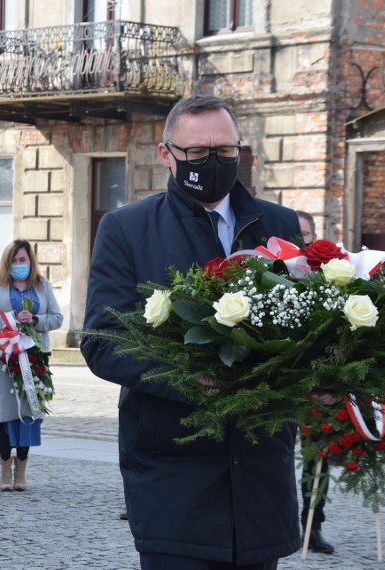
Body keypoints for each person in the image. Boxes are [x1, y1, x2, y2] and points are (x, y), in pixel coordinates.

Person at [81, 94, 304, 569]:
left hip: (260, 469)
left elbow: (302, 326)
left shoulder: (279, 225)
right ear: (167, 154)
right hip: (173, 471)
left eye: (225, 152)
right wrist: (187, 378)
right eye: (198, 153)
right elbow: (102, 340)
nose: (215, 162)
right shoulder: (127, 228)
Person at [0, 239, 62, 492]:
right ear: (7, 262)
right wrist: (12, 318)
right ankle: (5, 466)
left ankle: (21, 468)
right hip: (3, 357)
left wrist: (34, 319)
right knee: (4, 413)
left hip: (33, 357)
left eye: (22, 260)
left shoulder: (42, 286)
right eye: (14, 260)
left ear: (30, 261)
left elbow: (57, 318)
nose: (18, 264)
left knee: (27, 410)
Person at [296, 210, 335, 555]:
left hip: (315, 383)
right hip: (277, 378)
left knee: (317, 459)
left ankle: (312, 524)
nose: (301, 240)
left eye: (305, 235)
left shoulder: (330, 274)